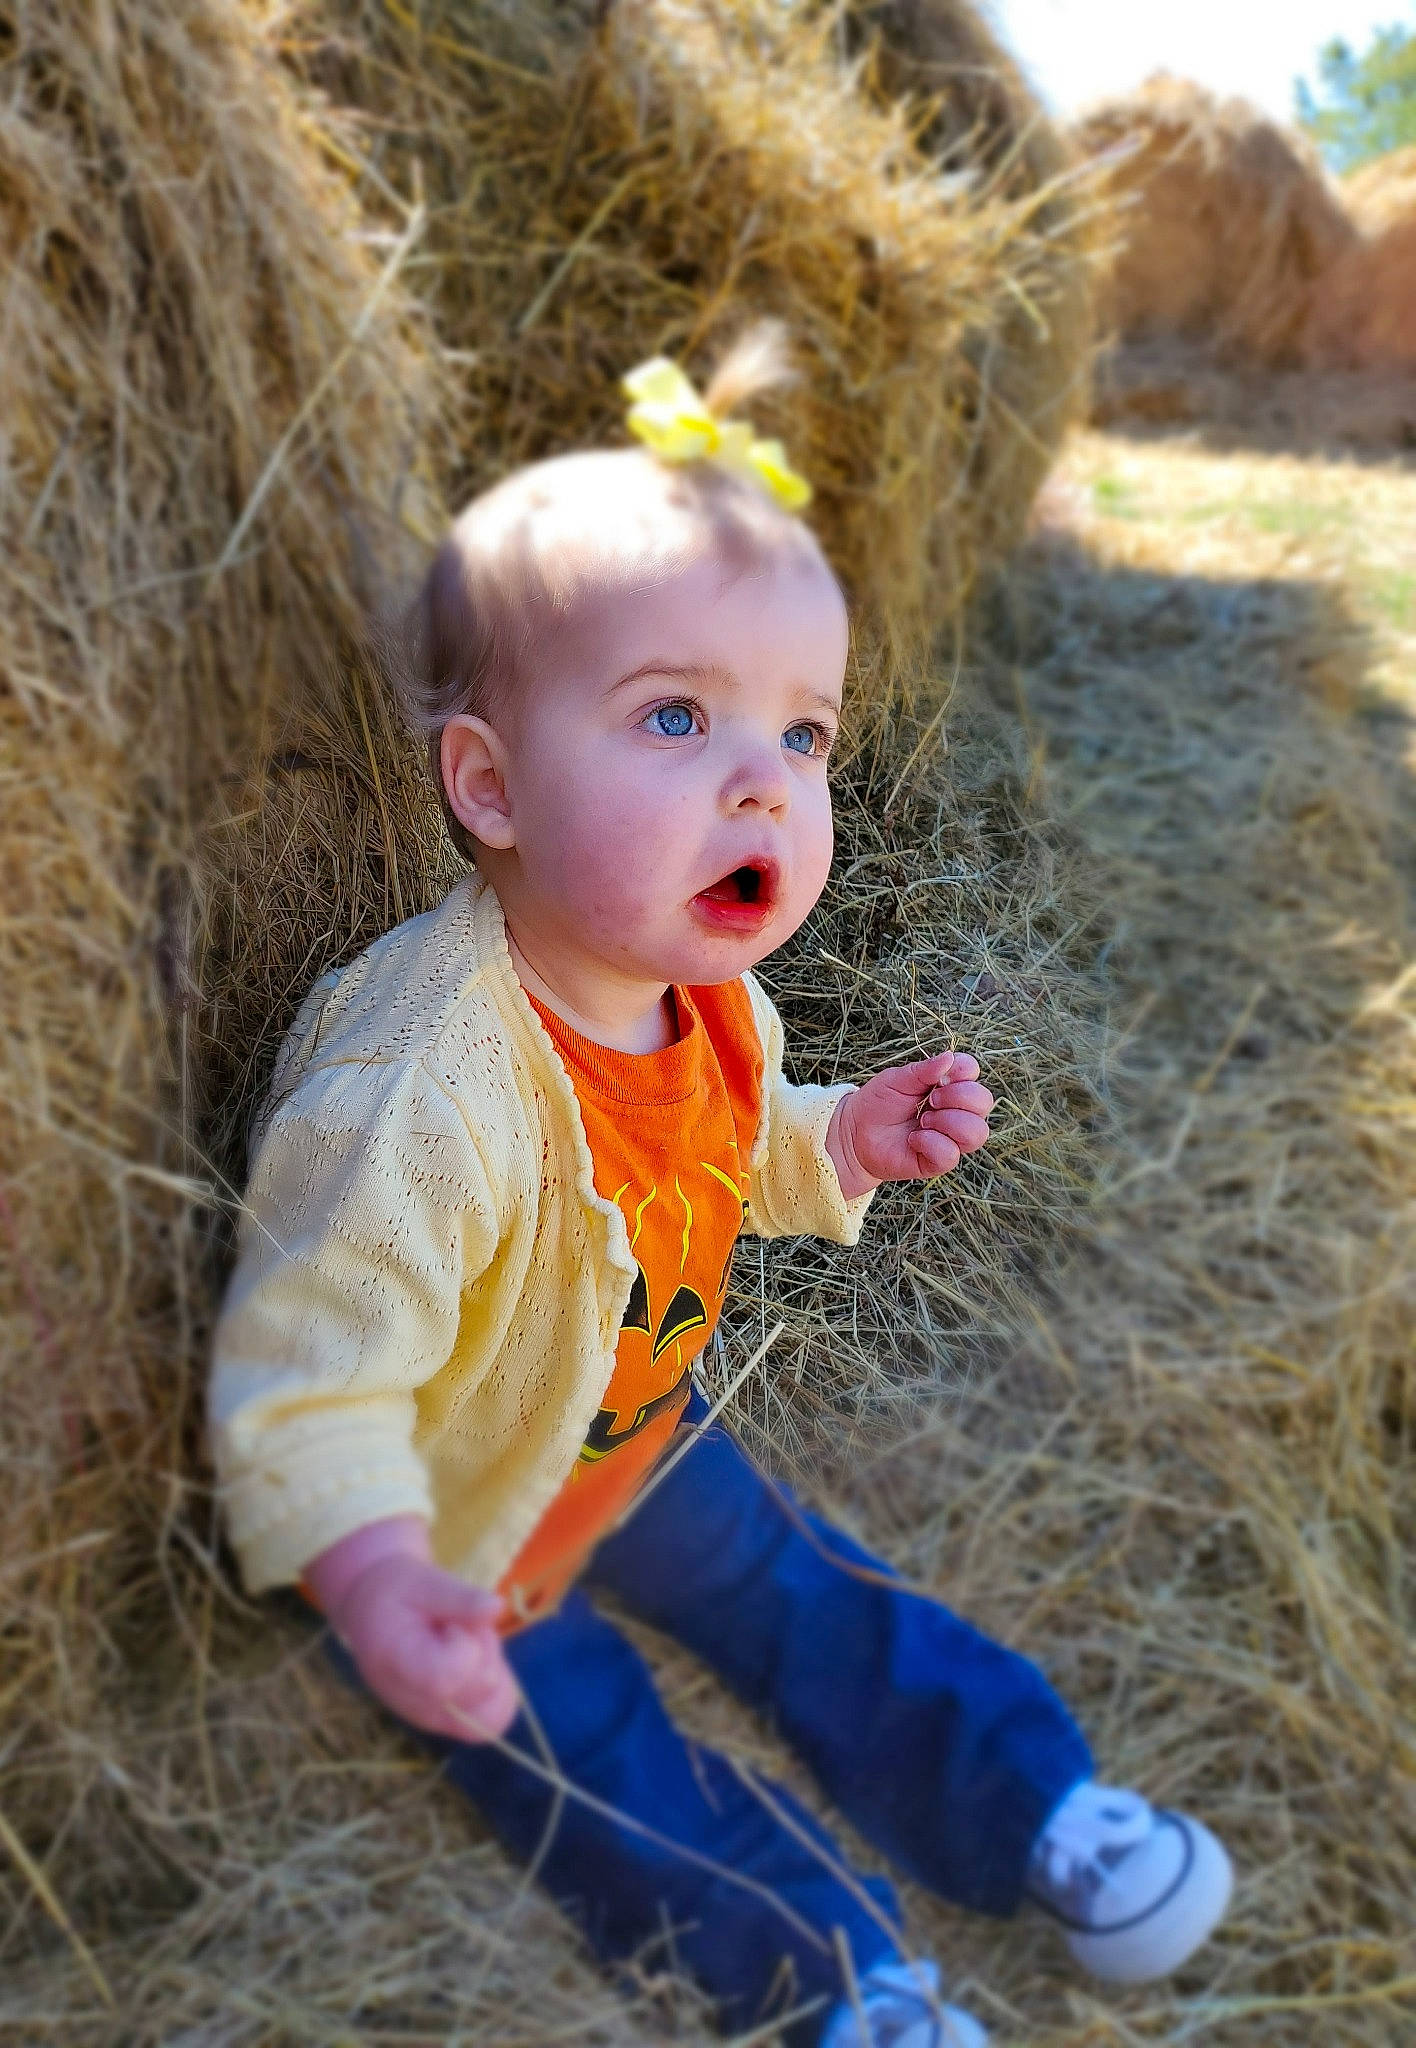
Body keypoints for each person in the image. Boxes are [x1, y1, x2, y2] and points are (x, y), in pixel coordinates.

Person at [209, 334, 1232, 2047]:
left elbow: (720, 1146)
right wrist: (381, 1580)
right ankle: (834, 1985)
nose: (764, 778)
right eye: (676, 716)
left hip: (638, 1427)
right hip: (463, 1520)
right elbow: (307, 1357)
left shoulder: (703, 1000)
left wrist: (834, 1139)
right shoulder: (419, 1088)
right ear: (491, 786)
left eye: (802, 730)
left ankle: (1025, 1796)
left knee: (794, 1591)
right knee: (588, 1757)